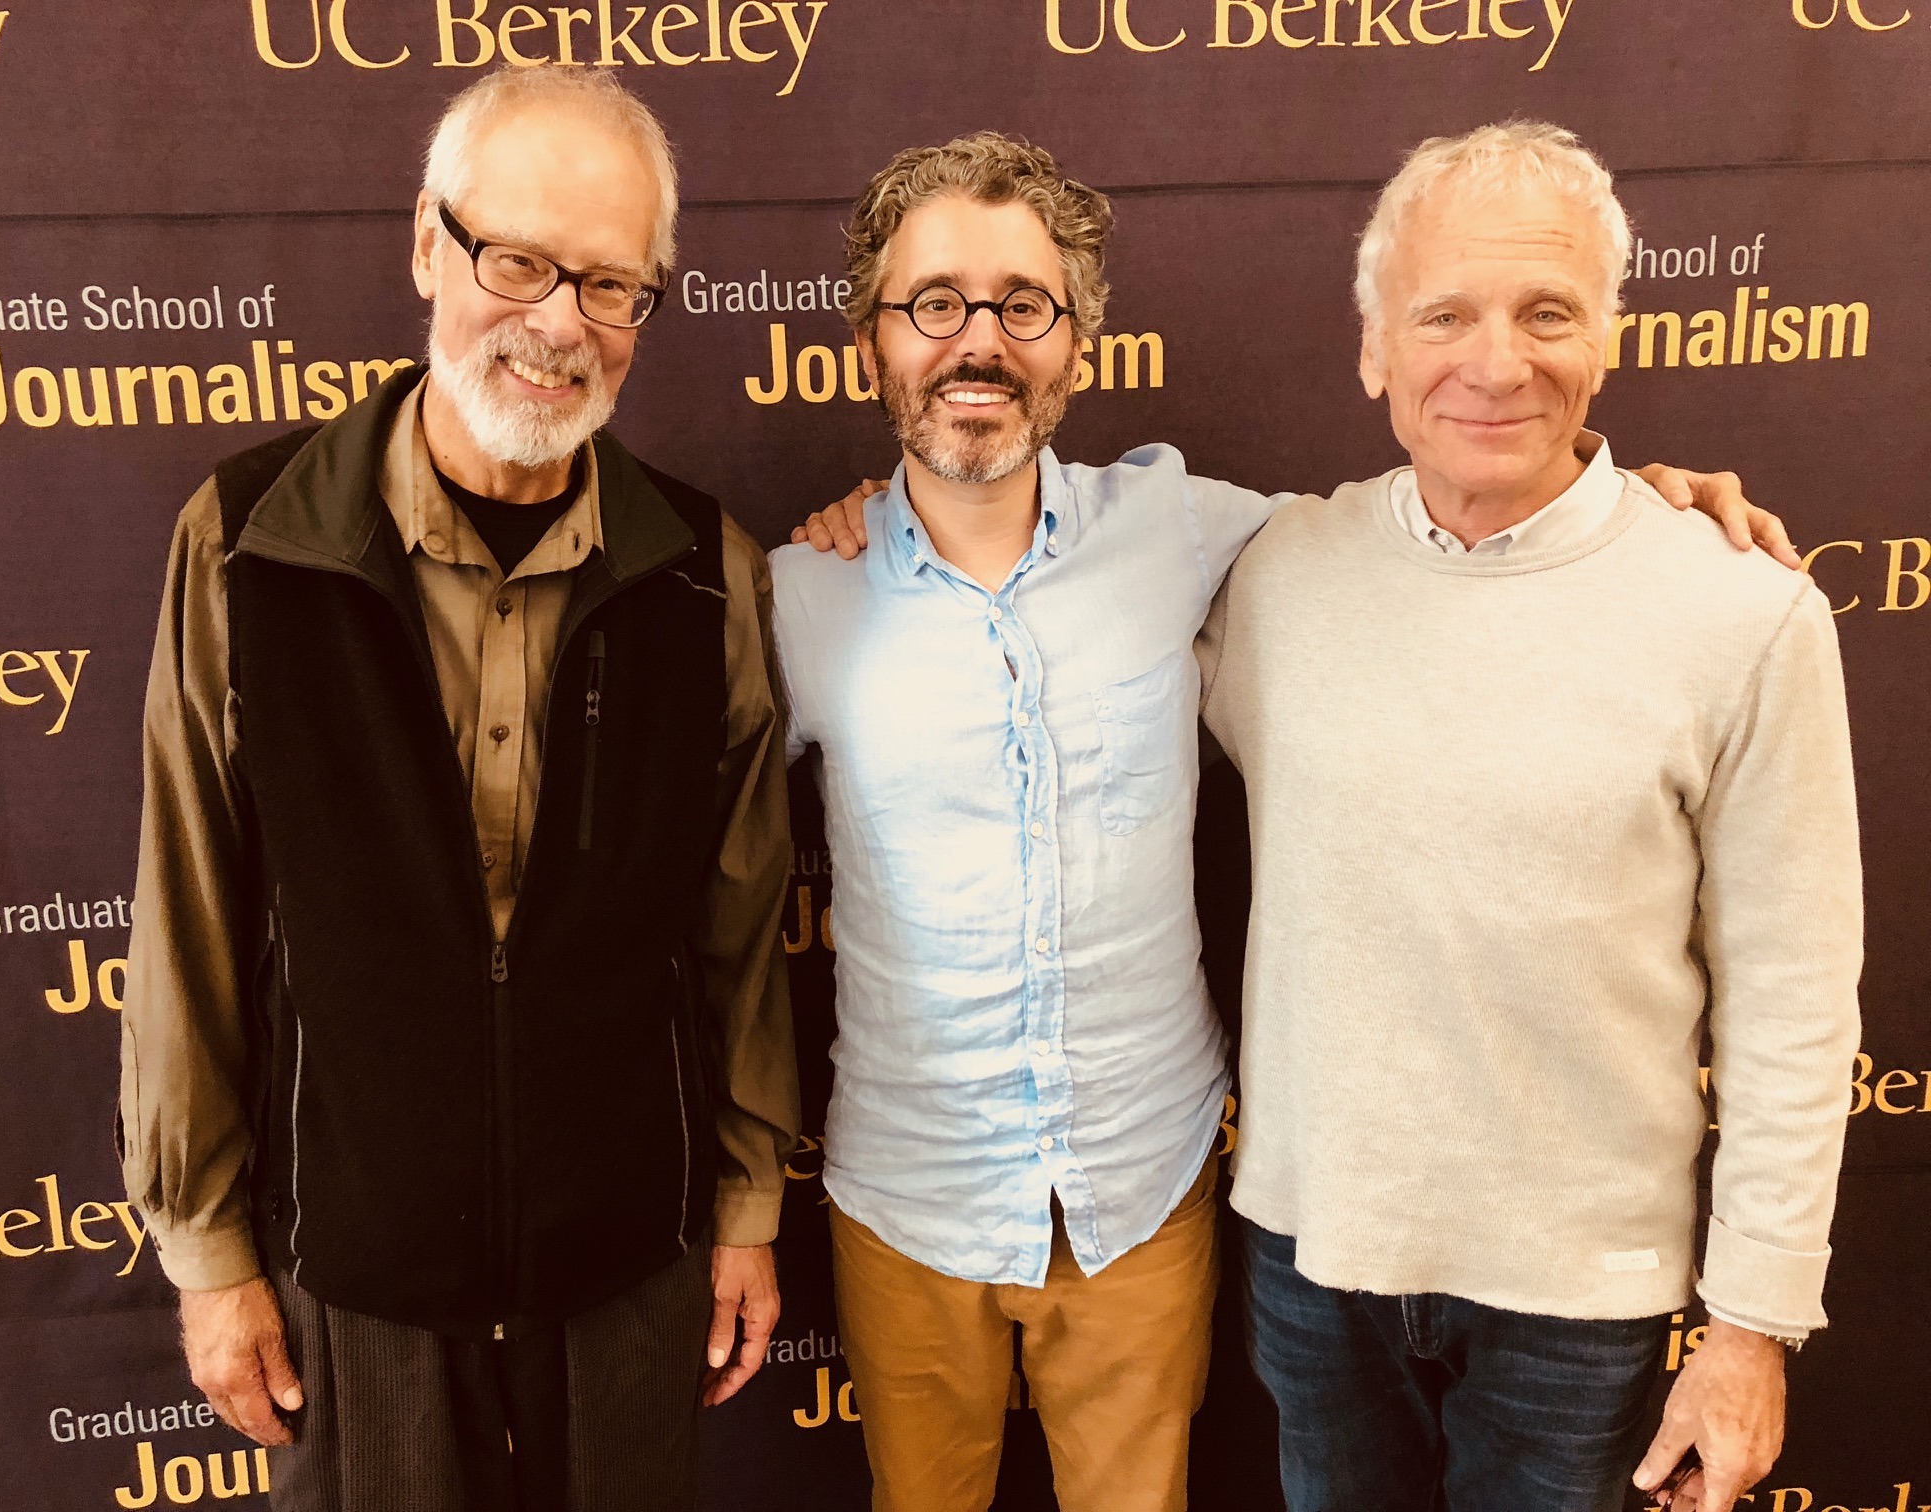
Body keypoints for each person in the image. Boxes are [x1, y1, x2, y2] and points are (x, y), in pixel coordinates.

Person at [775, 130, 1786, 1512]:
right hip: (904, 1192)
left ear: (1077, 342)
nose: (977, 342)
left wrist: (1643, 503)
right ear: (873, 337)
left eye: (1023, 304)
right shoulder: (792, 598)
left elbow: (1468, 521)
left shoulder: (1202, 533)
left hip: (1148, 1188)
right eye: (932, 302)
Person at [118, 67, 798, 1512]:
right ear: (428, 244)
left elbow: (740, 936)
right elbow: (185, 913)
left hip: (629, 1256)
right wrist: (208, 1250)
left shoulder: (706, 574)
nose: (559, 323)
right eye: (519, 260)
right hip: (353, 1270)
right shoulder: (246, 546)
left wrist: (744, 1203)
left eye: (612, 285)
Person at [1195, 122, 1861, 1512]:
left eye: (1546, 312)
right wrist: (862, 520)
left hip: (1583, 1307)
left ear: (1608, 339)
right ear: (1375, 346)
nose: (1496, 363)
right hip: (1315, 1262)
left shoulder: (1743, 610)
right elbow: (1029, 573)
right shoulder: (1276, 575)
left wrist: (1748, 1327)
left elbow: (1797, 1006)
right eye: (1445, 315)